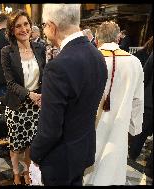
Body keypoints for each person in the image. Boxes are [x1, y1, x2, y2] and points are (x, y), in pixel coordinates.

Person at [30, 4, 108, 186]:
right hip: (82, 150)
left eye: (43, 25)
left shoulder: (58, 66)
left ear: (51, 26)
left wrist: (35, 153)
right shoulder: (97, 56)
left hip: (60, 159)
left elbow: (50, 130)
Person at [83, 21, 144, 186]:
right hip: (119, 127)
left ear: (97, 38)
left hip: (89, 128)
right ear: (118, 37)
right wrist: (135, 128)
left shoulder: (88, 60)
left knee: (88, 171)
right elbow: (138, 100)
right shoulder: (134, 63)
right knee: (112, 172)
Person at [1, 9, 46, 185]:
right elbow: (10, 83)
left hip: (36, 106)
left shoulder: (40, 48)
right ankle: (16, 173)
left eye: (26, 24)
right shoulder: (7, 51)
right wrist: (30, 95)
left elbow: (44, 75)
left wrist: (42, 95)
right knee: (16, 145)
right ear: (12, 30)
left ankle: (27, 172)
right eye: (18, 26)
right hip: (17, 105)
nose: (23, 29)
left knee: (30, 144)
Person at [128, 52, 152, 170]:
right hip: (149, 102)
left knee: (140, 134)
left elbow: (146, 74)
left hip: (149, 101)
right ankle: (149, 169)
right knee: (140, 134)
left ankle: (131, 158)